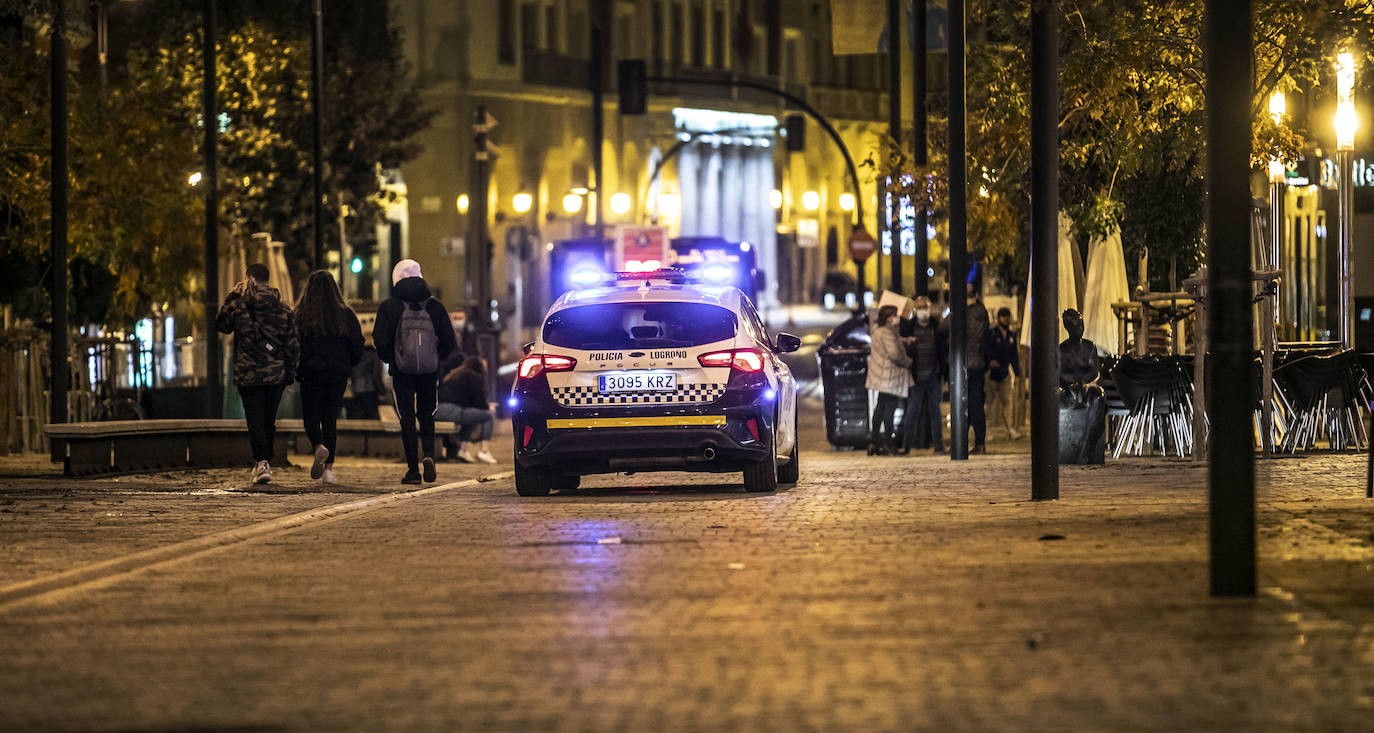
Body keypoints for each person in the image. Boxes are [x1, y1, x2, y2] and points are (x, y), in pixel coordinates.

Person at [373, 259, 457, 485]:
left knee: (407, 419)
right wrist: (435, 358)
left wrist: (392, 359)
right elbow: (450, 340)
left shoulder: (389, 306)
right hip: (429, 372)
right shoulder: (435, 306)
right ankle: (429, 454)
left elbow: (379, 340)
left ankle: (412, 470)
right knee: (427, 415)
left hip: (401, 372)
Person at [215, 263, 299, 484]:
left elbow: (221, 325)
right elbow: (292, 344)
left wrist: (232, 297)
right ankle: (265, 461)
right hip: (276, 375)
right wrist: (289, 373)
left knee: (255, 419)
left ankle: (261, 462)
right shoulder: (284, 310)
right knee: (268, 419)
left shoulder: (240, 307)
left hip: (248, 373)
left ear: (250, 280)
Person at [295, 270, 364, 484]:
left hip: (310, 371)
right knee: (330, 418)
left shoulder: (301, 313)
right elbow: (357, 344)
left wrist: (297, 368)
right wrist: (348, 364)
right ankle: (329, 470)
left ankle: (318, 445)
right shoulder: (345, 313)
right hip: (337, 372)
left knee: (311, 416)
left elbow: (292, 343)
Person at [943, 283, 990, 454]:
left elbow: (943, 326)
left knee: (964, 403)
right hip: (977, 363)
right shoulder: (982, 313)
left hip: (962, 365)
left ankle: (965, 441)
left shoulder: (962, 314)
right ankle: (977, 441)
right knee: (975, 402)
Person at [899, 295, 946, 454]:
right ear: (915, 310)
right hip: (916, 375)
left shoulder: (936, 327)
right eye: (919, 307)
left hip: (934, 375)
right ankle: (906, 445)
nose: (922, 311)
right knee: (913, 409)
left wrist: (942, 370)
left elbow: (942, 349)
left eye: (925, 307)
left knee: (935, 410)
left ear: (930, 309)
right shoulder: (909, 328)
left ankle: (938, 445)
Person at [865, 304, 912, 455]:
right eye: (895, 315)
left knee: (880, 407)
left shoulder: (878, 330)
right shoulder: (887, 333)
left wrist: (903, 341)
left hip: (880, 375)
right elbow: (895, 354)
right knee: (889, 409)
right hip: (889, 376)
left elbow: (891, 344)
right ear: (889, 318)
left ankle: (874, 441)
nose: (897, 318)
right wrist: (908, 361)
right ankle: (888, 443)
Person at [436, 355, 497, 464]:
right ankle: (484, 450)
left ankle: (463, 450)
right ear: (479, 367)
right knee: (489, 415)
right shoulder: (473, 376)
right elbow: (479, 402)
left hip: (438, 411)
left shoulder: (454, 374)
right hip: (453, 411)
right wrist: (489, 407)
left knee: (471, 417)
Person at [985, 306, 1022, 440]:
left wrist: (1017, 374)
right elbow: (985, 349)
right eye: (1003, 316)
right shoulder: (991, 333)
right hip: (991, 374)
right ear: (999, 318)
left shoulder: (1011, 336)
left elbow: (1014, 357)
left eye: (1007, 316)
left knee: (1008, 402)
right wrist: (989, 361)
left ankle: (1010, 430)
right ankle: (986, 430)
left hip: (1005, 373)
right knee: (988, 403)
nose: (1006, 319)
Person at [344, 344, 387, 419]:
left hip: (356, 389)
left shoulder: (356, 357)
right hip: (370, 390)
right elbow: (376, 375)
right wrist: (382, 391)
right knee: (370, 416)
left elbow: (350, 372)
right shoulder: (375, 356)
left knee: (358, 416)